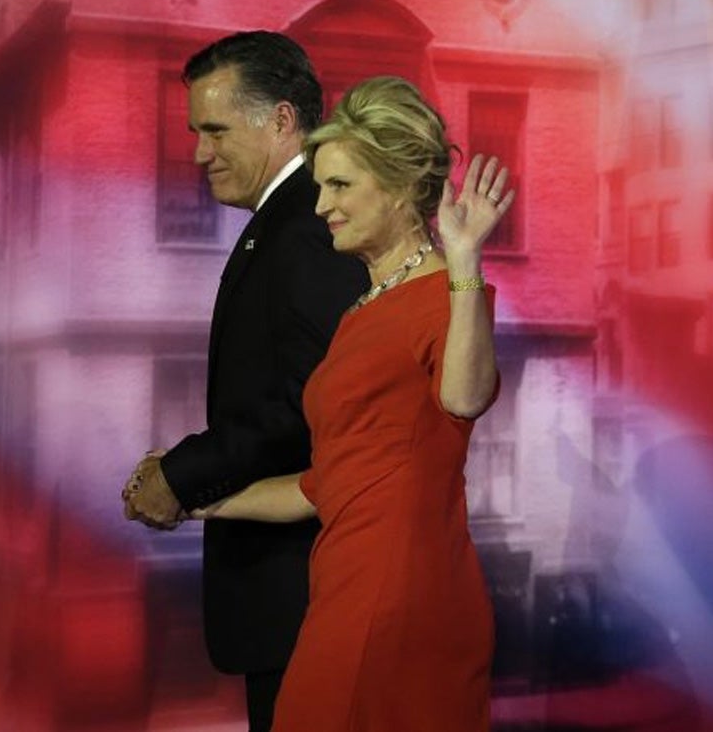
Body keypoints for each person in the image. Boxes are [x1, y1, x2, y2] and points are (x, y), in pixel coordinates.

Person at [189, 75, 516, 732]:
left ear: (397, 189)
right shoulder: (363, 308)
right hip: (348, 581)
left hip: (397, 592)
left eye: (340, 186)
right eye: (320, 187)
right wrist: (199, 496)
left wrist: (465, 258)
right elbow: (328, 482)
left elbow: (464, 397)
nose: (321, 207)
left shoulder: (446, 293)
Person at [121, 31, 369, 732]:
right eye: (196, 132)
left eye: (216, 130)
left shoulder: (311, 225)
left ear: (283, 120)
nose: (200, 153)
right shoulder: (284, 222)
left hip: (308, 591)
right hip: (286, 594)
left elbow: (310, 400)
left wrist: (182, 474)